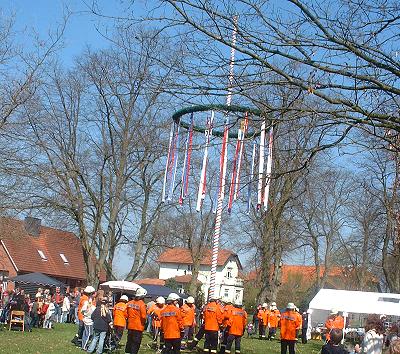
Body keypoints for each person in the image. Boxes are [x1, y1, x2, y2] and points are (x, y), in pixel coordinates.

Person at [125, 288, 147, 354]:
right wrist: (144, 323)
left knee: (129, 340)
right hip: (138, 326)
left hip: (130, 325)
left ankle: (127, 351)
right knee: (136, 343)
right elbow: (143, 317)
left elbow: (125, 313)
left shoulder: (129, 303)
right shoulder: (142, 304)